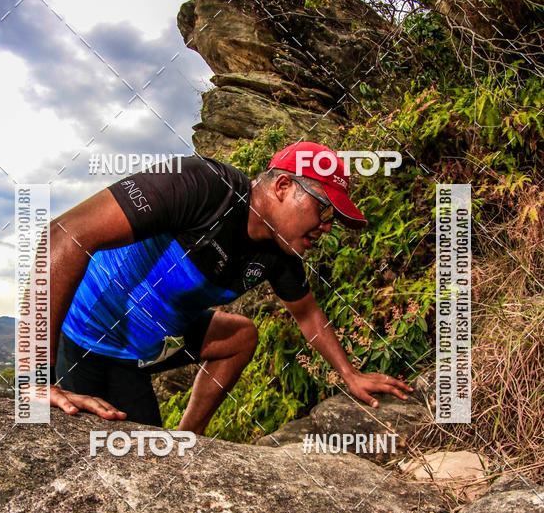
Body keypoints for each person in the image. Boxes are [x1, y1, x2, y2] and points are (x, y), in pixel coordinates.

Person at [49, 141, 413, 433]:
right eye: (324, 210)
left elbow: (308, 314)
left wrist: (350, 374)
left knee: (240, 335)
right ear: (283, 186)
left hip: (152, 343)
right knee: (132, 461)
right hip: (91, 340)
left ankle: (187, 443)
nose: (326, 227)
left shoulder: (279, 251)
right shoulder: (202, 184)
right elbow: (64, 235)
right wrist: (35, 380)